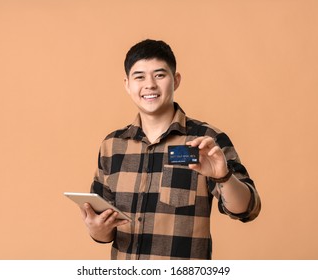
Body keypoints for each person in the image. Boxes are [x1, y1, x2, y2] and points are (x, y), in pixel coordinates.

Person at [79, 39, 261, 260]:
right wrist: (97, 229)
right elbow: (103, 226)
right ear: (127, 84)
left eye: (159, 75)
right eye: (139, 77)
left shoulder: (206, 141)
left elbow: (248, 209)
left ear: (175, 81)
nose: (150, 85)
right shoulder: (112, 145)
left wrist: (223, 176)